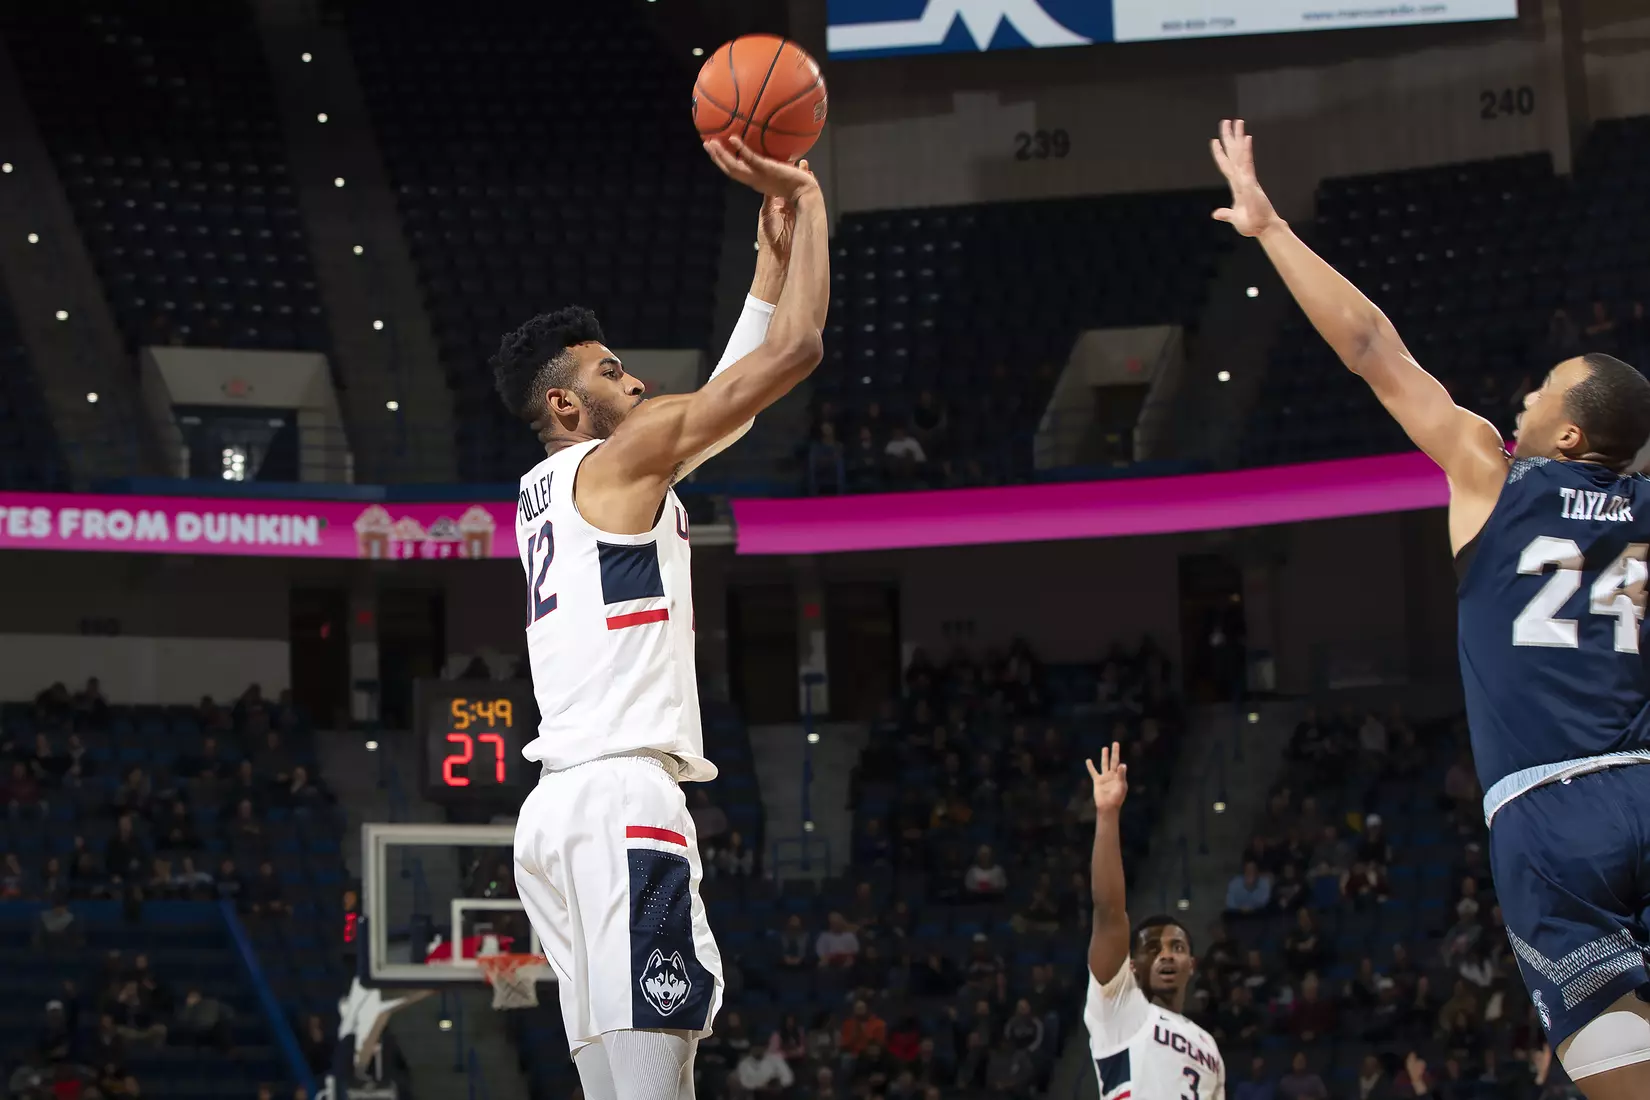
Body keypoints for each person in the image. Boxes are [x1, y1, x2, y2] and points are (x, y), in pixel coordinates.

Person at [1212, 116, 1650, 1098]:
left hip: (1551, 814)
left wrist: (1272, 226)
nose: (1525, 394)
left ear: (1567, 430)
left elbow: (1371, 343)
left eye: (1544, 390)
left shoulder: (1493, 470)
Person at [500, 135, 827, 1100]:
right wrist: (807, 203)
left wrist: (765, 265)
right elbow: (795, 354)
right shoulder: (619, 462)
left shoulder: (548, 490)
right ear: (565, 401)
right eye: (613, 372)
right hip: (621, 805)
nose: (635, 382)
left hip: (553, 815)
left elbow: (726, 410)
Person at [1083, 743, 1224, 1097]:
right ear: (1131, 966)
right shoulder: (1120, 1007)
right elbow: (1109, 912)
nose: (1165, 955)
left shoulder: (1208, 1046)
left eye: (1176, 947)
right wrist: (1108, 814)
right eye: (1152, 948)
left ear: (1191, 964)